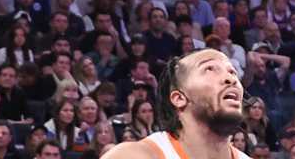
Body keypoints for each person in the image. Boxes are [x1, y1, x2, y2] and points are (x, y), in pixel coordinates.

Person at [101, 48, 247, 159]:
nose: (231, 79)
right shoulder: (134, 156)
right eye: (209, 69)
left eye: (232, 72)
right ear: (179, 98)